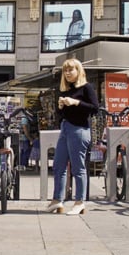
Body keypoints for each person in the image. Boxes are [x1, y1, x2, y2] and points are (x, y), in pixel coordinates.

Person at [46, 58, 98, 215]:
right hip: (66, 128)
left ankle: (80, 201)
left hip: (79, 130)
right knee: (58, 165)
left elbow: (95, 108)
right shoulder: (64, 89)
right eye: (65, 70)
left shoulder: (86, 87)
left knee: (78, 167)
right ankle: (57, 200)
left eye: (71, 70)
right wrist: (61, 106)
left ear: (78, 71)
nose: (68, 73)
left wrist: (75, 103)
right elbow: (61, 114)